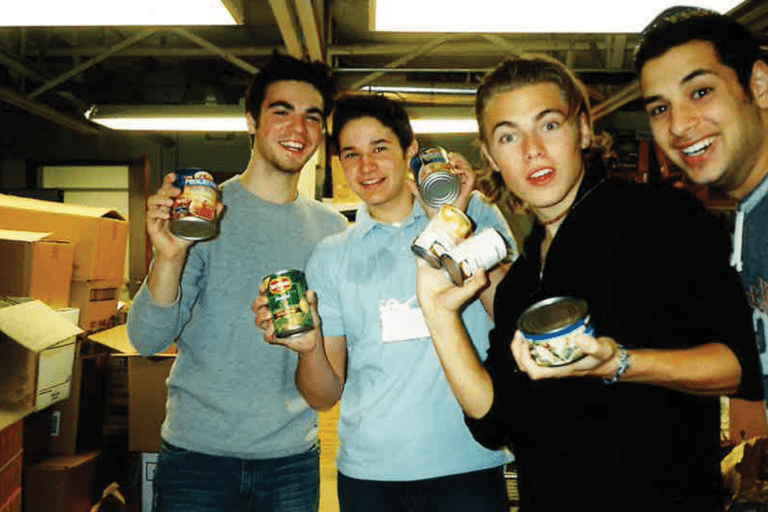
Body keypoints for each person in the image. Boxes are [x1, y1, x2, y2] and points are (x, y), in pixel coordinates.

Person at [415, 54, 764, 512]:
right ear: (490, 158)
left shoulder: (660, 219)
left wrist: (619, 363)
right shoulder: (524, 276)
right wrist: (438, 316)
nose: (532, 150)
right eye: (508, 136)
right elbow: (495, 423)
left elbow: (742, 367)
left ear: (582, 130)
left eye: (549, 125)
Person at [254, 93, 516, 512]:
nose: (366, 167)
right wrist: (308, 348)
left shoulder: (474, 211)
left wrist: (450, 223)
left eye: (379, 149)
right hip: (369, 478)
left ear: (410, 151)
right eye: (351, 154)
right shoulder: (331, 255)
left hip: (469, 464)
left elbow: (513, 319)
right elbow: (323, 396)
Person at [126, 53, 348, 512]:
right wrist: (169, 256)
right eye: (281, 111)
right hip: (195, 461)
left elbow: (326, 396)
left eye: (312, 117)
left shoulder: (332, 232)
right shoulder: (204, 216)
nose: (298, 129)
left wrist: (309, 347)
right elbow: (146, 340)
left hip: (290, 464)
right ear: (251, 120)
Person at [634, 4, 768, 439]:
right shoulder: (750, 214)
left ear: (760, 86)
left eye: (700, 92)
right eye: (659, 109)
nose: (679, 126)